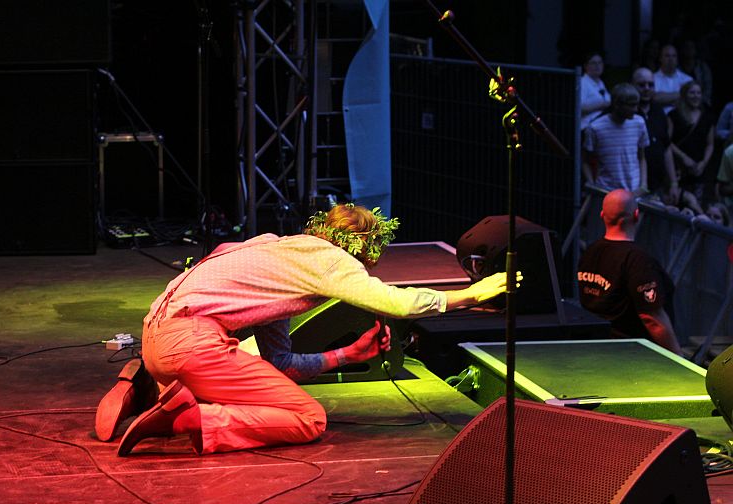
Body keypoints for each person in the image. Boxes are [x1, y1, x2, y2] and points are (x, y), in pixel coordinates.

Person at [96, 204, 513, 456]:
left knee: (245, 382)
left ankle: (143, 385)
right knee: (308, 418)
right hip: (191, 344)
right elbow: (395, 303)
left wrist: (348, 356)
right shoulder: (331, 260)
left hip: (156, 333)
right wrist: (471, 295)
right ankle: (192, 420)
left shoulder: (275, 251)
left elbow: (278, 362)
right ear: (362, 248)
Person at [577, 189, 680, 354]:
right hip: (633, 353)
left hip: (596, 347)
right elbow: (652, 318)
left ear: (602, 215)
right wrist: (678, 357)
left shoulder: (590, 252)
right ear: (636, 215)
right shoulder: (637, 261)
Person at [583, 83, 649, 193]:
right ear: (617, 104)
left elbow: (642, 157)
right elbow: (585, 160)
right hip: (606, 191)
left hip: (634, 192)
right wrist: (592, 185)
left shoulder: (639, 123)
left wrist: (643, 185)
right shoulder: (595, 128)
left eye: (637, 105)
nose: (636, 109)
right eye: (631, 105)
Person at [632, 67, 680, 205]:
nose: (646, 88)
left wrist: (673, 183)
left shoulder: (659, 112)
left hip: (656, 186)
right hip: (632, 185)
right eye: (641, 85)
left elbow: (666, 148)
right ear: (633, 85)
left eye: (650, 84)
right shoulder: (627, 113)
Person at [667, 80, 716, 203]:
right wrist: (683, 157)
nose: (696, 96)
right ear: (684, 95)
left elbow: (710, 144)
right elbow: (667, 141)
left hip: (698, 168)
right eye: (692, 93)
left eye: (698, 93)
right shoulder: (674, 115)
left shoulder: (707, 116)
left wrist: (703, 163)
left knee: (697, 203)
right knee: (677, 203)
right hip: (678, 168)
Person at [653, 44, 693, 113]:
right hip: (659, 119)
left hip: (682, 119)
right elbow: (654, 99)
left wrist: (663, 99)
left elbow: (690, 100)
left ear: (677, 59)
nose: (671, 59)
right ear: (660, 58)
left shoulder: (687, 79)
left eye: (674, 56)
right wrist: (681, 94)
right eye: (667, 56)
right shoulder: (652, 78)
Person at [579, 53, 610, 131]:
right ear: (585, 66)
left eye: (600, 63)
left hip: (602, 127)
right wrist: (602, 105)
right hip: (587, 127)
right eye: (593, 63)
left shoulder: (601, 83)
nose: (597, 66)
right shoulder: (582, 82)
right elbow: (579, 107)